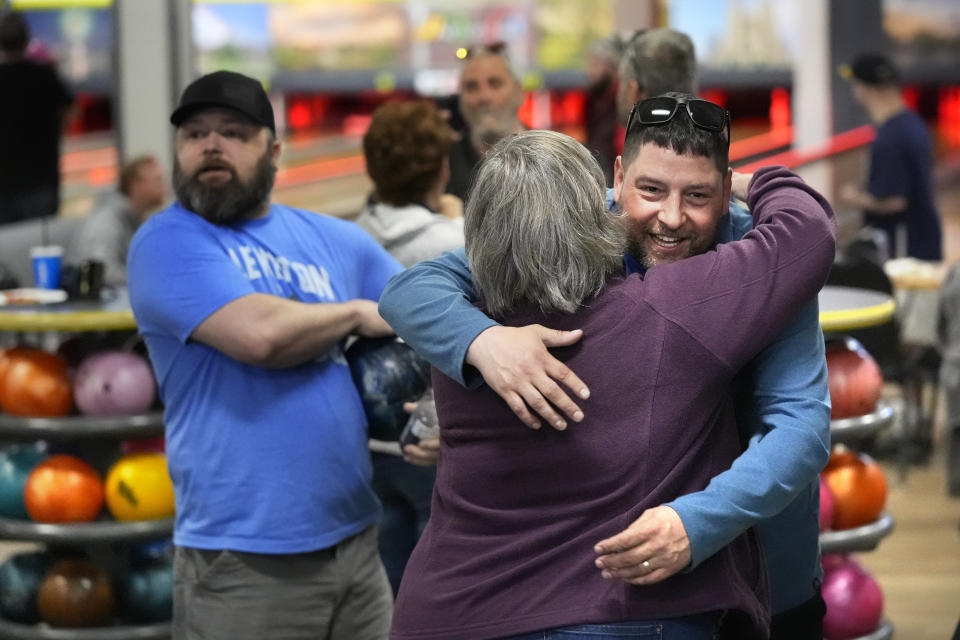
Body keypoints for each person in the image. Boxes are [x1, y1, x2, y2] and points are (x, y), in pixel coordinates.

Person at [381, 30, 831, 640]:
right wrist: (480, 343)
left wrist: (699, 521)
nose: (670, 217)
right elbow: (416, 288)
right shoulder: (577, 226)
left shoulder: (765, 256)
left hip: (760, 560)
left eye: (697, 195)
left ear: (725, 190)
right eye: (651, 190)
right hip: (599, 586)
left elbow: (800, 429)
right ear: (616, 180)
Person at [127, 70, 400, 640]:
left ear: (273, 151)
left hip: (355, 544)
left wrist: (432, 411)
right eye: (194, 134)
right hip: (241, 560)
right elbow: (262, 338)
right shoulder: (166, 242)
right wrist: (353, 313)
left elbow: (429, 310)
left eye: (232, 132)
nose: (210, 145)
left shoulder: (332, 239)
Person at [354, 99, 465, 594]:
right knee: (434, 593)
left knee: (390, 590)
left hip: (368, 445)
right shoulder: (453, 238)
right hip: (431, 442)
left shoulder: (353, 233)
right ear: (441, 168)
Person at [839, 52, 943, 261]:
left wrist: (853, 196)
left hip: (904, 249)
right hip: (925, 238)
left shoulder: (889, 137)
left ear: (865, 89)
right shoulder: (914, 123)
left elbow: (894, 202)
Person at [0, 10, 74, 225]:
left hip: (4, 181)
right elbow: (70, 110)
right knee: (42, 243)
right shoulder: (45, 76)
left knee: (7, 249)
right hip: (43, 177)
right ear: (26, 40)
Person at [65, 155, 167, 288]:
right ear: (136, 185)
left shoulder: (141, 219)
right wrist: (151, 283)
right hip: (91, 303)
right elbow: (105, 273)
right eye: (157, 180)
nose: (164, 186)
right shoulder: (106, 221)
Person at [446, 42, 525, 201]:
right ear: (460, 98)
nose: (484, 97)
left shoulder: (557, 160)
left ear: (519, 92)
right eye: (471, 87)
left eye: (495, 84)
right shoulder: (442, 167)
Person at [584, 34, 623, 186]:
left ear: (613, 66)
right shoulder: (593, 98)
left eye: (595, 64)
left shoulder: (623, 103)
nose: (588, 71)